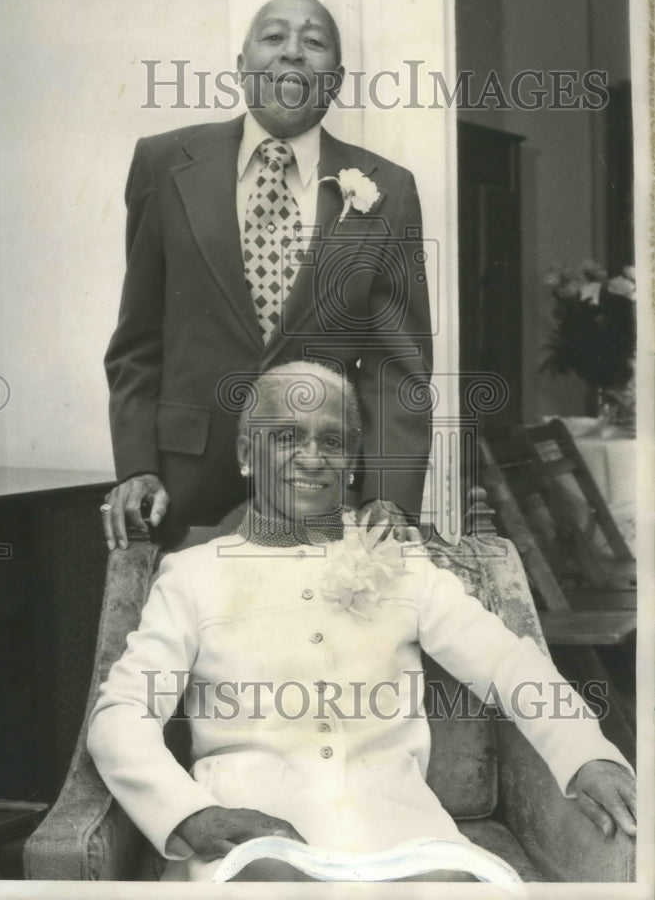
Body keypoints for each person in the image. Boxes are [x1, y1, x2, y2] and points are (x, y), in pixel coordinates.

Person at [88, 361, 636, 883]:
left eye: (332, 441)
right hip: (256, 845)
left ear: (353, 458)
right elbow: (121, 715)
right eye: (286, 437)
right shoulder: (192, 576)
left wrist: (587, 755)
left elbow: (509, 665)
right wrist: (189, 816)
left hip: (403, 835)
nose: (312, 457)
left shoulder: (400, 563)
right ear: (246, 452)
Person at [102, 0, 432, 550]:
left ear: (337, 77)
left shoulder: (389, 189)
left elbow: (396, 369)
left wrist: (388, 495)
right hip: (183, 489)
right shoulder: (164, 163)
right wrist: (137, 466)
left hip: (319, 488)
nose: (294, 53)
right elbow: (137, 340)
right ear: (241, 64)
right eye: (274, 37)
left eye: (315, 41)